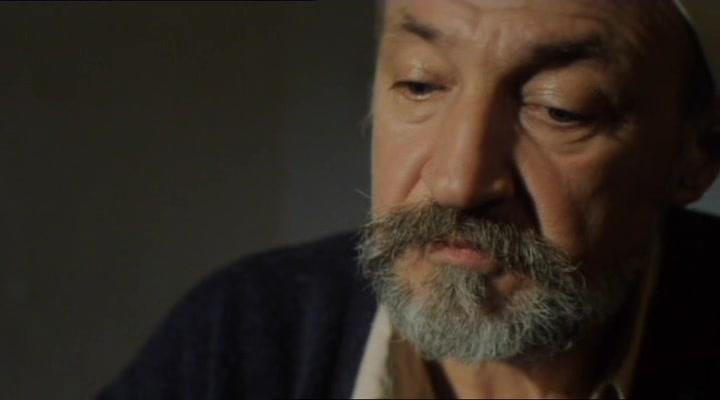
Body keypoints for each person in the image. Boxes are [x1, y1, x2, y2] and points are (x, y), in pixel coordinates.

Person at [98, 1, 720, 398]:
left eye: (562, 109)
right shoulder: (245, 339)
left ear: (696, 156)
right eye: (420, 85)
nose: (458, 183)